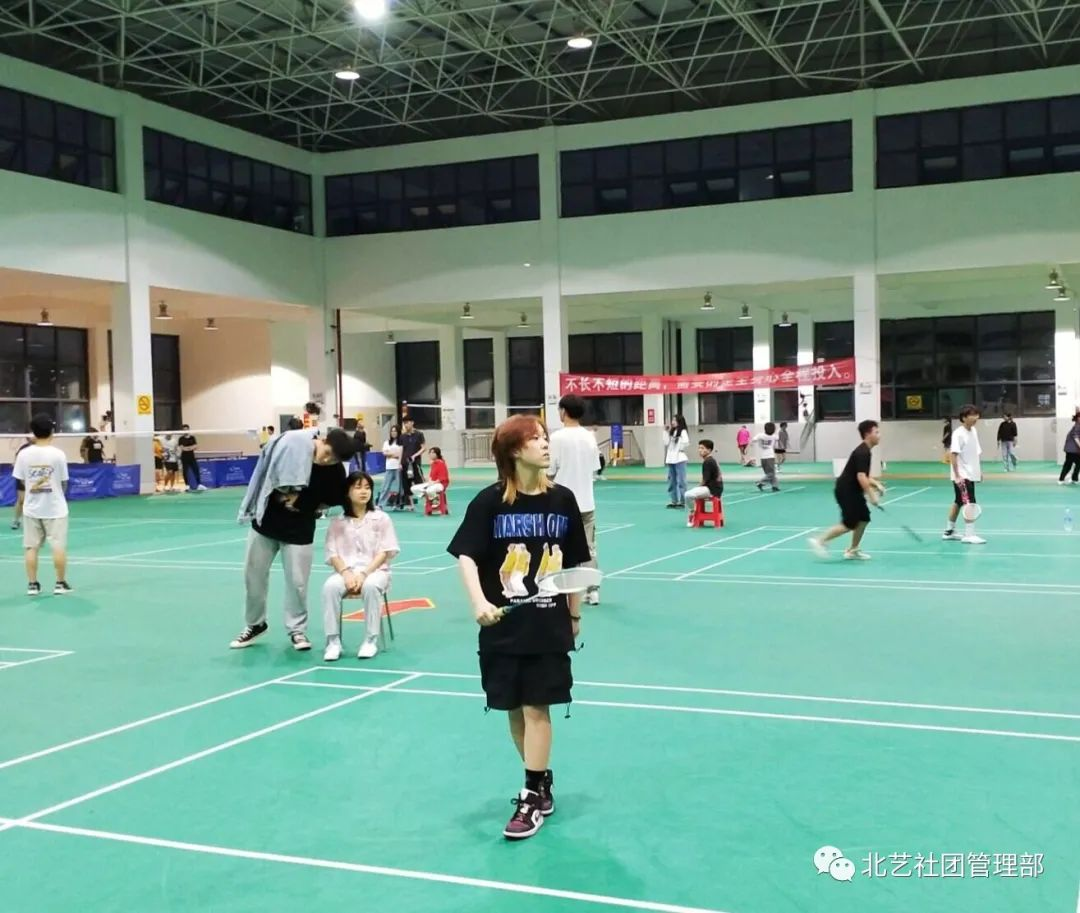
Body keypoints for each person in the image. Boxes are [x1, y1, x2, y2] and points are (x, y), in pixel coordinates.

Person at [447, 414, 590, 841]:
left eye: (546, 438)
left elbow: (574, 565)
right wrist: (479, 602)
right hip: (503, 626)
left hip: (548, 626)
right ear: (514, 451)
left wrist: (574, 615)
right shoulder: (489, 503)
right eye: (536, 439)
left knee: (536, 707)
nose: (546, 445)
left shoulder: (562, 500)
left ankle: (530, 797)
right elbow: (467, 556)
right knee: (513, 710)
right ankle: (540, 780)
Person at [230, 427, 356, 651]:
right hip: (265, 525)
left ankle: (297, 630)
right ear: (322, 440)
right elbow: (268, 477)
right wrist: (286, 498)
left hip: (299, 531)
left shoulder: (334, 471)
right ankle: (255, 624)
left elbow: (333, 498)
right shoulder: (292, 450)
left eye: (333, 459)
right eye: (327, 453)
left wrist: (302, 501)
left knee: (297, 583)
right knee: (253, 576)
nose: (327, 460)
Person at [321, 471, 400, 662]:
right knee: (330, 587)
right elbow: (332, 553)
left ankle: (370, 640)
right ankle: (333, 642)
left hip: (376, 571)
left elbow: (385, 551)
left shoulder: (381, 518)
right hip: (346, 572)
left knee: (370, 586)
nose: (364, 492)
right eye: (358, 487)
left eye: (367, 487)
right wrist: (346, 574)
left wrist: (364, 573)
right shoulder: (337, 522)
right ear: (347, 492)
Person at [547, 395, 602, 604]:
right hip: (586, 503)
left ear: (563, 411)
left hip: (561, 503)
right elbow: (595, 467)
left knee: (556, 547)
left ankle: (558, 588)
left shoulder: (557, 438)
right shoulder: (589, 437)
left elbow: (550, 471)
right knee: (589, 548)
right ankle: (592, 591)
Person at [12, 414, 72, 595]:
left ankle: (32, 585)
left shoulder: (23, 454)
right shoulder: (58, 454)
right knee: (58, 547)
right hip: (55, 508)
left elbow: (21, 480)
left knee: (31, 547)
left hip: (31, 508)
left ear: (34, 432)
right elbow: (64, 482)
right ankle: (60, 584)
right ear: (52, 431)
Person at [808, 420, 885, 559]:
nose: (879, 435)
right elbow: (861, 477)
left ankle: (853, 550)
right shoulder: (862, 452)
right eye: (877, 432)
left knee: (864, 518)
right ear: (867, 434)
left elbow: (864, 475)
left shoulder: (866, 451)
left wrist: (877, 485)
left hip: (852, 490)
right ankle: (820, 541)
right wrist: (872, 495)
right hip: (846, 491)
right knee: (849, 523)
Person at [944, 404, 985, 544]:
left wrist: (979, 471)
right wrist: (957, 475)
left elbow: (976, 453)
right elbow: (953, 454)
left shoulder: (973, 431)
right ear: (964, 417)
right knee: (970, 502)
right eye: (972, 415)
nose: (976, 417)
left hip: (971, 473)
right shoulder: (958, 433)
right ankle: (969, 534)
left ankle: (949, 531)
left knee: (959, 501)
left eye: (977, 414)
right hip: (962, 475)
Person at [683, 439, 724, 526]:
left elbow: (705, 479)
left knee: (688, 495)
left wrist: (698, 487)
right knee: (693, 491)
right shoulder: (711, 460)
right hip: (715, 488)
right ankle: (694, 511)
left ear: (709, 450)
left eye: (702, 448)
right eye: (699, 448)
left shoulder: (708, 462)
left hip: (711, 490)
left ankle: (692, 512)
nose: (700, 450)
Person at [398, 417, 427, 510]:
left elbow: (424, 448)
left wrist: (415, 455)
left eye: (407, 422)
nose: (406, 425)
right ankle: (411, 505)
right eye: (404, 423)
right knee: (406, 484)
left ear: (412, 423)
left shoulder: (419, 434)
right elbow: (401, 450)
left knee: (420, 482)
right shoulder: (402, 436)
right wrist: (399, 463)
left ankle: (427, 503)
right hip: (405, 464)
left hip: (415, 463)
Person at [663, 415, 690, 508]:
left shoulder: (682, 431)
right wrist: (665, 431)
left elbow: (686, 442)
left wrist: (680, 447)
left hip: (680, 459)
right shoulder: (672, 432)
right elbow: (666, 442)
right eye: (672, 420)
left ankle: (683, 501)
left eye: (674, 420)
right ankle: (674, 500)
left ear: (679, 421)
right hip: (671, 459)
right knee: (671, 481)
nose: (672, 422)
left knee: (682, 481)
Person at [377, 425, 403, 509]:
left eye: (395, 431)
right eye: (392, 431)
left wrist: (391, 453)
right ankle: (380, 504)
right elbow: (384, 453)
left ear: (398, 432)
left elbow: (400, 454)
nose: (393, 433)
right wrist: (394, 454)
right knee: (385, 487)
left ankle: (397, 504)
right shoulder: (387, 442)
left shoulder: (401, 442)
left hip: (398, 467)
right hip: (389, 467)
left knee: (399, 488)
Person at [10, 434, 32, 530]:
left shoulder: (43, 449)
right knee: (21, 500)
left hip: (37, 476)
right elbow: (15, 463)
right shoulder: (23, 449)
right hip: (23, 476)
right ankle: (16, 520)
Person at [178, 424, 206, 491]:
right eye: (184, 430)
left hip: (192, 457)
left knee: (196, 470)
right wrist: (190, 447)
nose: (185, 431)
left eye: (186, 429)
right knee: (185, 471)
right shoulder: (181, 439)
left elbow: (196, 446)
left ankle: (199, 485)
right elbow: (183, 448)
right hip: (184, 457)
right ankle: (187, 485)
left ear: (188, 430)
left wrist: (188, 448)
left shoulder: (192, 438)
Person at [754, 422, 780, 492]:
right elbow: (776, 444)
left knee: (770, 474)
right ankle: (759, 482)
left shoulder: (760, 435)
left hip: (763, 458)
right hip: (770, 456)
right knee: (771, 474)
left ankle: (775, 486)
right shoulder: (774, 436)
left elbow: (754, 440)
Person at [1059, 412, 1080, 485]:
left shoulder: (1077, 425)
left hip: (1073, 450)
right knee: (1068, 465)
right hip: (1072, 450)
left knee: (1074, 464)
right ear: (1078, 418)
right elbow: (1076, 437)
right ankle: (1062, 479)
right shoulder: (1077, 426)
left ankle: (1073, 479)